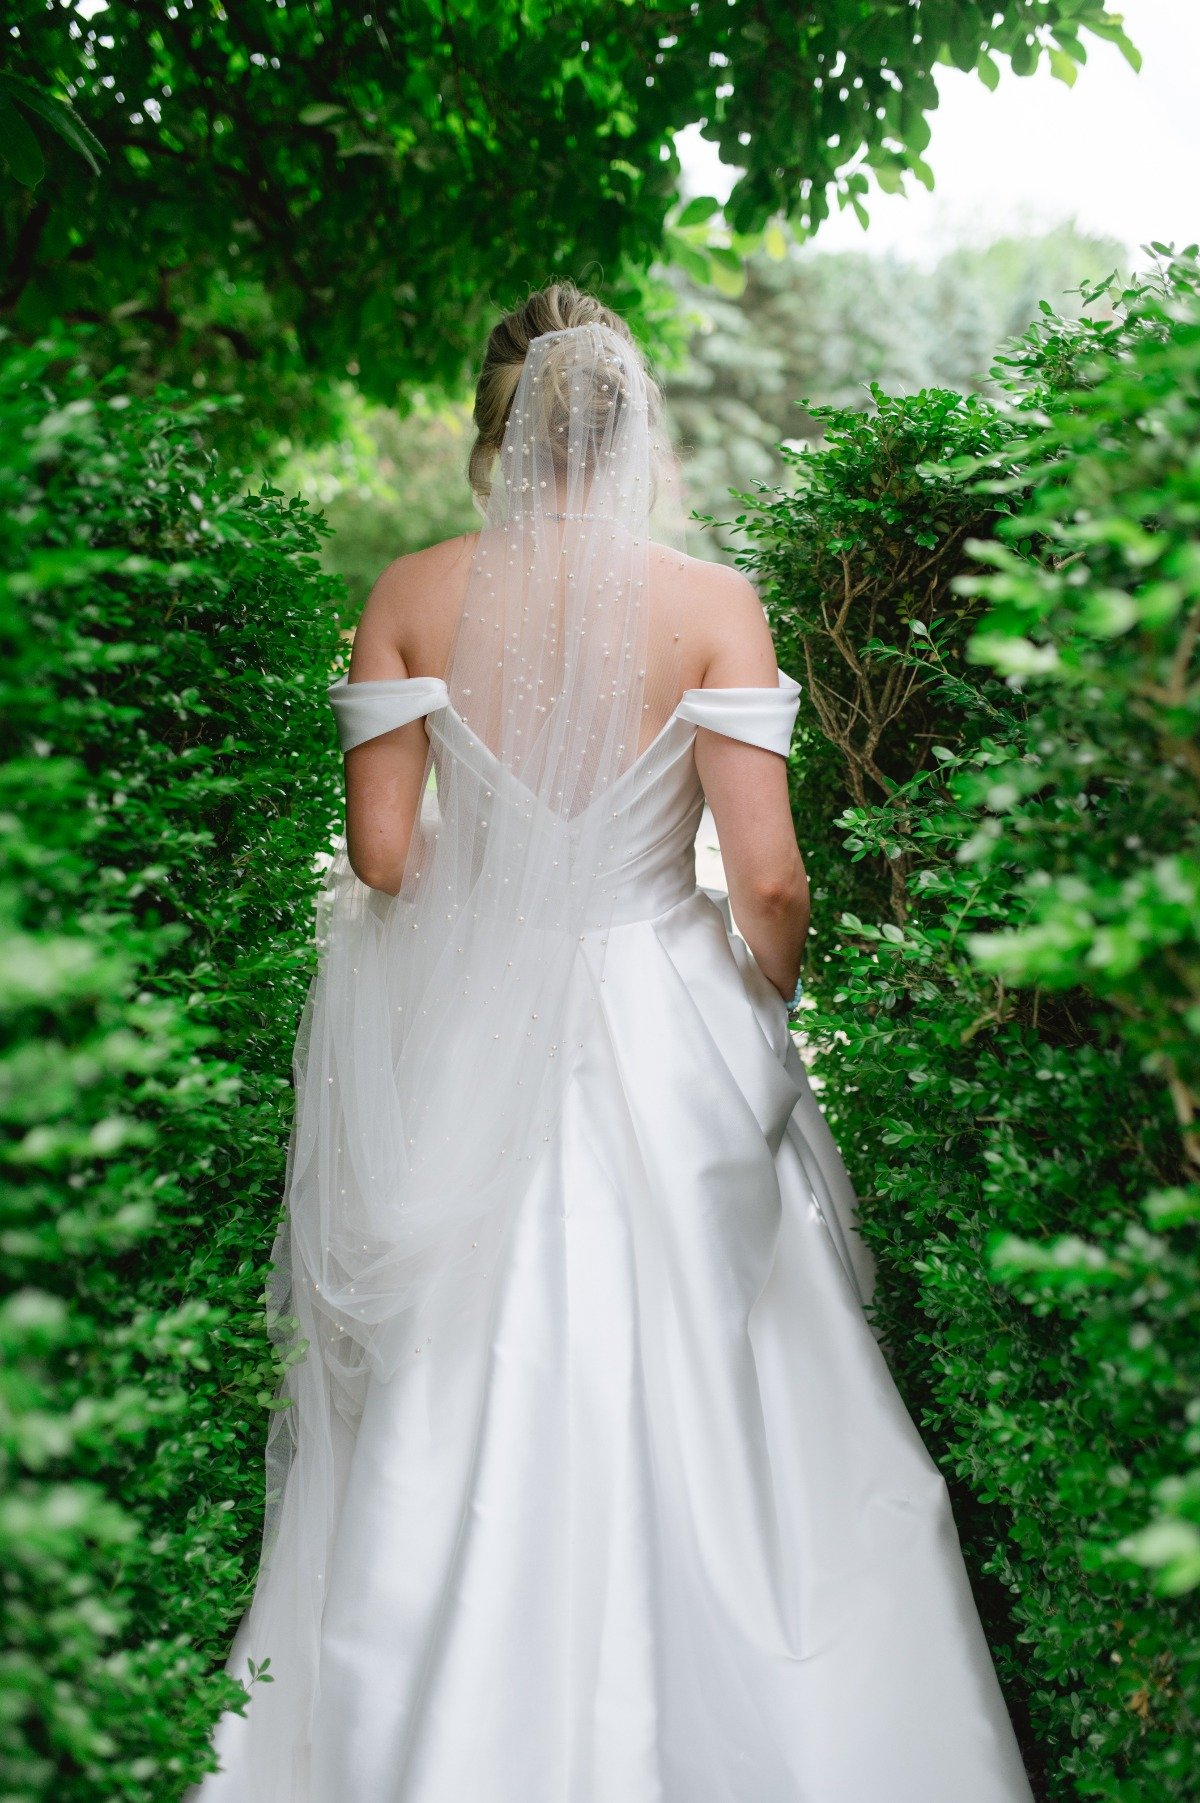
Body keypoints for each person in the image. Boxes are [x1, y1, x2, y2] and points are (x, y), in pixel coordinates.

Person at [187, 282, 1035, 1803]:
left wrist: (515, 899)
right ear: (629, 424)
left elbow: (382, 859)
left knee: (463, 1369)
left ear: (490, 424)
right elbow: (767, 877)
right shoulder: (710, 604)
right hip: (665, 1014)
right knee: (739, 1371)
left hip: (472, 1015)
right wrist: (748, 1002)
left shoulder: (411, 587)